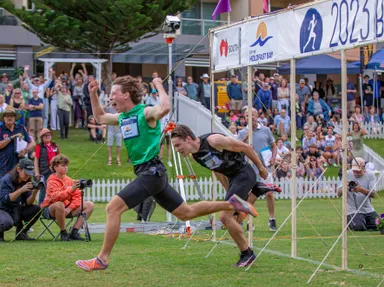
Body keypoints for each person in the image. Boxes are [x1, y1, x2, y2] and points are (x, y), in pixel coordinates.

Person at [76, 76, 257, 271]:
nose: (110, 97)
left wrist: (160, 86)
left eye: (113, 93)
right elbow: (100, 117)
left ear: (126, 94)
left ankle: (102, 259)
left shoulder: (145, 113)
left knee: (112, 208)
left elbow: (164, 108)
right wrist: (93, 94)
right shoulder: (121, 118)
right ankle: (231, 204)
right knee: (186, 212)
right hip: (150, 174)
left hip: (151, 172)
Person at [171, 124, 274, 266]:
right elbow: (217, 171)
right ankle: (256, 191)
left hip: (244, 174)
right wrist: (228, 192)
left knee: (225, 217)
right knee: (234, 219)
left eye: (178, 145)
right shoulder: (195, 156)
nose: (177, 150)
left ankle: (247, 254)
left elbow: (246, 148)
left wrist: (261, 168)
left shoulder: (214, 141)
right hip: (234, 180)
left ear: (188, 139)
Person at [238, 108, 281, 231]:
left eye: (252, 114)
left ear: (257, 116)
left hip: (264, 168)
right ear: (244, 118)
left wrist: (273, 158)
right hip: (250, 169)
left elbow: (273, 146)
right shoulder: (242, 133)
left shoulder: (265, 130)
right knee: (251, 197)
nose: (249, 117)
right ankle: (249, 222)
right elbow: (237, 149)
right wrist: (246, 137)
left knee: (269, 193)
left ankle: (272, 219)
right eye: (247, 115)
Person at [41, 155, 95, 241]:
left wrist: (70, 208)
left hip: (66, 209)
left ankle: (74, 232)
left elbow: (78, 197)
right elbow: (55, 198)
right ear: (55, 167)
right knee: (59, 204)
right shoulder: (51, 181)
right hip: (49, 209)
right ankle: (63, 232)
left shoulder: (69, 180)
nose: (66, 168)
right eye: (63, 166)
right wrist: (71, 190)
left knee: (90, 205)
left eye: (66, 166)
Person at [0, 158, 41, 241]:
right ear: (19, 169)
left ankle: (21, 233)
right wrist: (21, 190)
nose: (28, 176)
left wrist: (34, 194)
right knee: (7, 223)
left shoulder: (26, 181)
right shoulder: (6, 180)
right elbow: (5, 199)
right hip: (3, 209)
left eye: (30, 174)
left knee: (36, 209)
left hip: (17, 209)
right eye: (26, 173)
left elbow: (28, 203)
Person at [337, 157, 378, 231]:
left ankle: (363, 222)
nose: (355, 172)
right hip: (352, 210)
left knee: (379, 225)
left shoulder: (371, 175)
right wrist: (345, 187)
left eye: (357, 171)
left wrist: (360, 189)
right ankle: (352, 222)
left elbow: (373, 194)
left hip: (368, 209)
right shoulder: (347, 174)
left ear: (363, 167)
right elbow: (338, 194)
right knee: (359, 227)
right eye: (354, 170)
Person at [0, 107, 34, 177]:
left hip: (20, 165)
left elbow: (31, 143)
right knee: (5, 186)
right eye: (7, 116)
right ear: (3, 118)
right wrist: (12, 137)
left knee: (20, 185)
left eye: (11, 116)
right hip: (4, 166)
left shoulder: (21, 128)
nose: (9, 118)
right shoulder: (0, 129)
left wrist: (25, 150)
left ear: (15, 118)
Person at [34, 129, 60, 204]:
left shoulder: (54, 145)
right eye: (46, 135)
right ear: (42, 137)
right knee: (44, 189)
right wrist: (36, 172)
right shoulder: (39, 146)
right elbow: (36, 159)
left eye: (49, 135)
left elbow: (59, 157)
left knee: (55, 188)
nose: (48, 137)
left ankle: (51, 205)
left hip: (54, 171)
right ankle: (41, 207)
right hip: (44, 171)